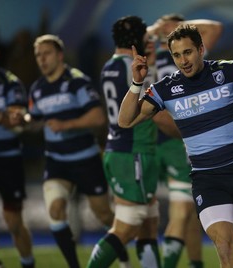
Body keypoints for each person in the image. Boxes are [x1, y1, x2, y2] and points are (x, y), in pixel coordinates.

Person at [118, 12, 233, 268]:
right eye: (176, 55)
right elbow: (125, 121)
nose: (182, 61)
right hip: (208, 178)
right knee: (225, 245)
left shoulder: (230, 70)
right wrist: (136, 82)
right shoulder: (165, 88)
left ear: (201, 49)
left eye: (187, 52)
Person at [28, 34, 114, 268]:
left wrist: (66, 125)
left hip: (86, 159)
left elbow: (98, 117)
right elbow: (34, 120)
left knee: (104, 215)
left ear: (59, 55)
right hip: (57, 162)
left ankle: (123, 258)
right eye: (38, 55)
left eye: (46, 53)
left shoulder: (77, 81)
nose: (42, 59)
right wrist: (21, 118)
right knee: (55, 209)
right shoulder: (37, 89)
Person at [86, 16, 163, 268]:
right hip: (134, 152)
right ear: (136, 39)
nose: (148, 41)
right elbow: (149, 108)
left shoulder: (110, 65)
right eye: (145, 37)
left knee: (149, 223)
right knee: (127, 227)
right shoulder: (135, 68)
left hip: (121, 150)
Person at [147, 14, 223, 268]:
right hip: (153, 136)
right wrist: (156, 30)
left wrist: (177, 28)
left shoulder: (189, 56)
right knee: (153, 215)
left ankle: (195, 263)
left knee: (188, 210)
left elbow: (214, 27)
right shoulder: (153, 49)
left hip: (173, 136)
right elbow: (129, 37)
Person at [0, 33, 35, 268]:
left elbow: (16, 121)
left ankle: (27, 263)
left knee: (14, 222)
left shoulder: (10, 83)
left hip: (6, 156)